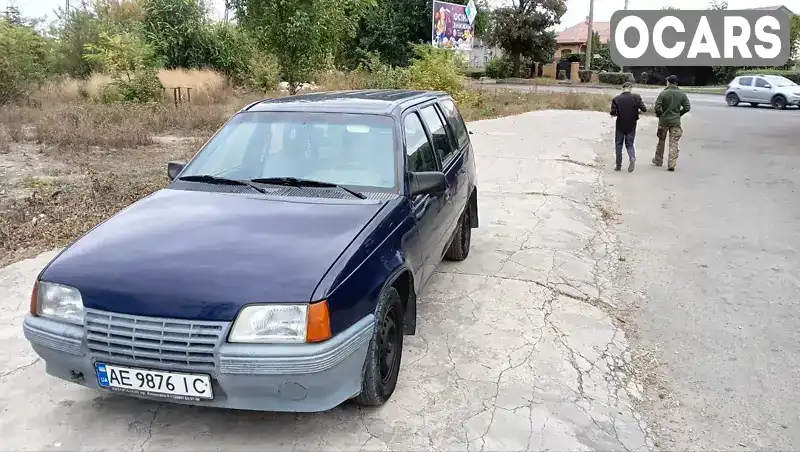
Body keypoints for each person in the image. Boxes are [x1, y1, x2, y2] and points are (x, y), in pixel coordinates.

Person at [653, 74, 691, 171]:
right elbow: (687, 107)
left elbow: (657, 107)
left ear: (668, 82)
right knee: (674, 142)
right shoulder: (682, 94)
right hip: (675, 122)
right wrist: (678, 114)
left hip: (664, 121)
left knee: (661, 141)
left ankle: (658, 160)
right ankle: (671, 163)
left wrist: (660, 115)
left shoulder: (663, 93)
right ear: (676, 83)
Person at [610, 81, 647, 172]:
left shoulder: (616, 99)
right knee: (630, 144)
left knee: (618, 144)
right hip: (632, 124)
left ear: (622, 89)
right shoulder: (636, 97)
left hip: (620, 124)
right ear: (630, 89)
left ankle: (618, 165)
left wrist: (616, 113)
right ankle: (632, 157)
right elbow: (644, 109)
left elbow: (613, 113)